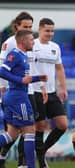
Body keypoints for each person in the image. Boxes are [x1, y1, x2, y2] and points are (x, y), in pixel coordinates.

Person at [0, 30, 47, 168]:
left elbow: (24, 79)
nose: (33, 42)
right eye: (31, 40)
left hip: (16, 96)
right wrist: (20, 79)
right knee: (30, 130)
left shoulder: (24, 56)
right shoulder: (14, 54)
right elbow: (2, 71)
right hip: (17, 97)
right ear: (23, 41)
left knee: (11, 135)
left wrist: (39, 78)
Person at [0, 11, 36, 168]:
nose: (29, 29)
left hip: (27, 91)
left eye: (30, 26)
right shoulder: (11, 44)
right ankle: (26, 164)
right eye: (25, 26)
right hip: (15, 93)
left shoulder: (28, 44)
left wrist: (39, 83)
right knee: (28, 129)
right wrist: (2, 87)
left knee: (13, 133)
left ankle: (22, 163)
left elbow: (29, 69)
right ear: (17, 26)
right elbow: (3, 68)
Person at [32, 18, 68, 168]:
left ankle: (42, 151)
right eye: (47, 30)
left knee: (62, 125)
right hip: (36, 91)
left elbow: (59, 68)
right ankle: (41, 160)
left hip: (52, 92)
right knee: (40, 127)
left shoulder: (55, 47)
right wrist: (39, 85)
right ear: (39, 30)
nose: (50, 33)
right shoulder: (32, 45)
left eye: (52, 30)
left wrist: (63, 88)